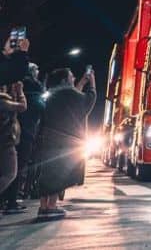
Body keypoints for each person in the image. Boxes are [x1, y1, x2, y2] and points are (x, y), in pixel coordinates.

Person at [31, 66, 94, 222]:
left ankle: (44, 207)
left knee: (46, 172)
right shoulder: (69, 94)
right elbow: (87, 102)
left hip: (47, 139)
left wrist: (80, 84)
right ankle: (52, 207)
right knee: (59, 173)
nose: (73, 78)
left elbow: (73, 96)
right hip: (64, 141)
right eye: (71, 76)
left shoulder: (51, 94)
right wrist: (91, 84)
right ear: (65, 80)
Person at [4, 63, 44, 209]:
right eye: (37, 70)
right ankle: (11, 202)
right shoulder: (33, 86)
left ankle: (8, 199)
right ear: (32, 72)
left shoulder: (15, 83)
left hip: (14, 129)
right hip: (24, 131)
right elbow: (33, 107)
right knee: (17, 168)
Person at [0, 82, 28, 206]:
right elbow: (22, 107)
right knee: (10, 174)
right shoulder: (2, 102)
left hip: (4, 141)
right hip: (5, 142)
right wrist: (21, 91)